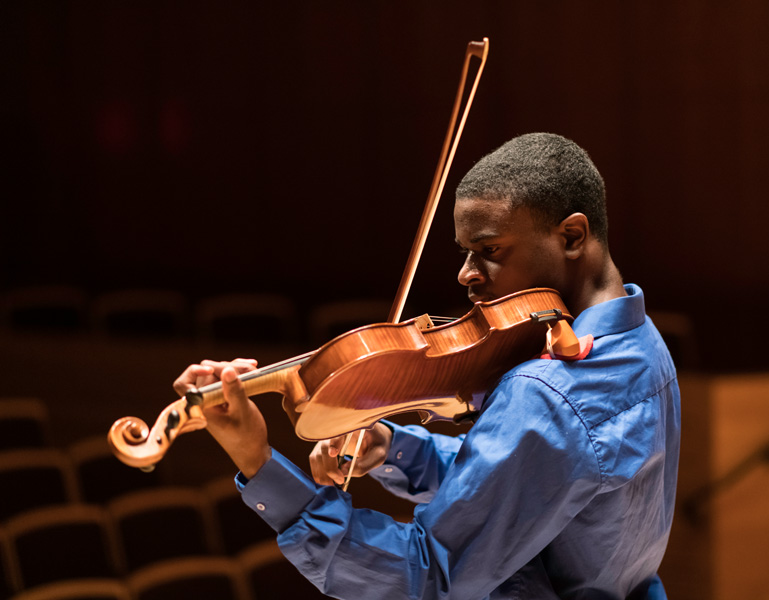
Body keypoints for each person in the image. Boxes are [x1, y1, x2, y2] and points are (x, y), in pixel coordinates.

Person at [174, 133, 681, 599]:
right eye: (464, 253)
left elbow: (426, 576)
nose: (466, 274)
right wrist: (395, 447)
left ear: (572, 237)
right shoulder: (641, 341)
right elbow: (531, 483)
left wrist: (258, 465)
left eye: (489, 251)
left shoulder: (547, 394)